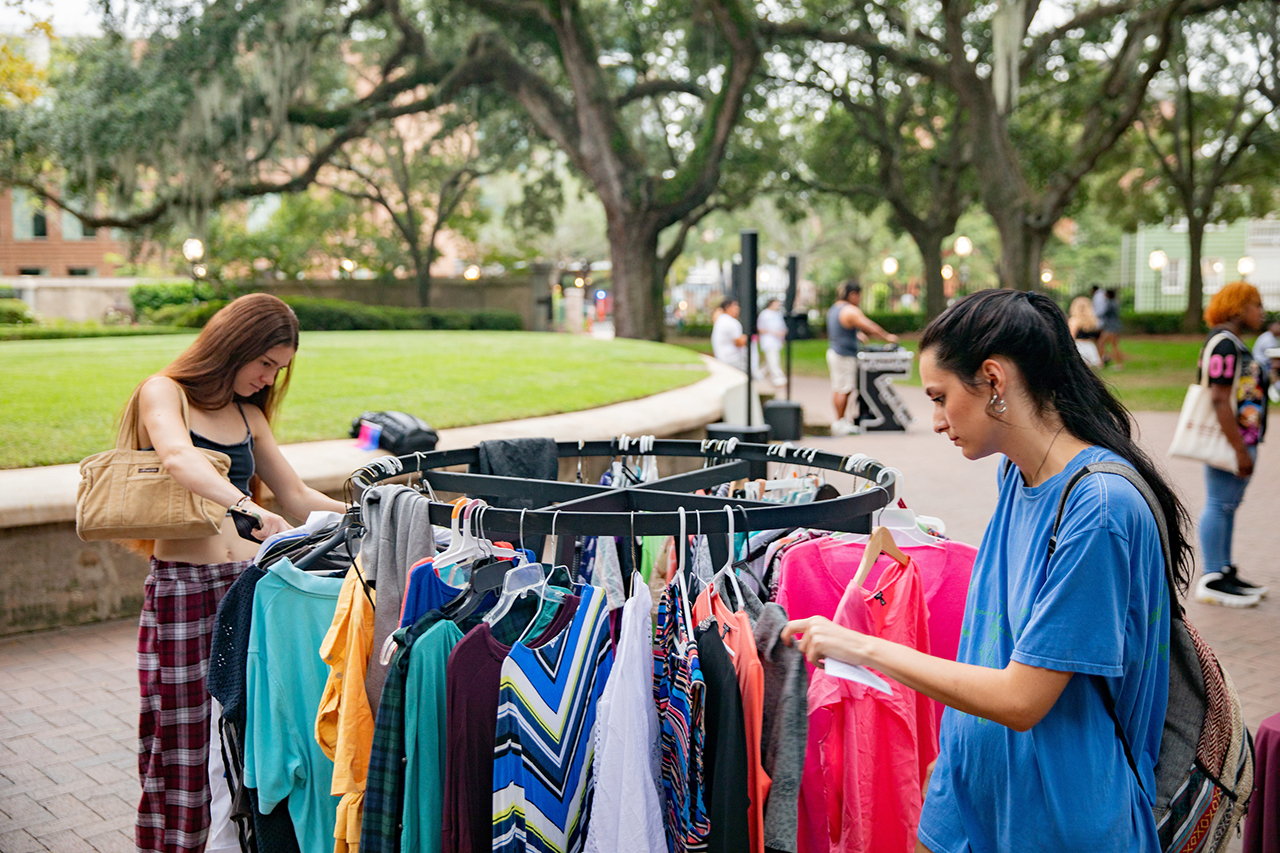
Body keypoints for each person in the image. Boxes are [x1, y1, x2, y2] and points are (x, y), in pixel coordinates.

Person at [784, 289, 1193, 850]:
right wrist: (954, 760)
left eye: (940, 397)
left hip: (1063, 821)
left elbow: (1022, 699)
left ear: (994, 380)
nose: (934, 420)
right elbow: (989, 646)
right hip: (986, 800)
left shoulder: (1099, 508)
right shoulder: (1017, 476)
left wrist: (860, 646)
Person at [131, 293, 346, 853]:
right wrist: (244, 506)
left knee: (248, 732)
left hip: (247, 588)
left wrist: (379, 515)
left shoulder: (249, 415)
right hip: (182, 588)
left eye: (280, 368)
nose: (270, 377)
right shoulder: (165, 393)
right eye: (266, 363)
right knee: (179, 735)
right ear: (237, 346)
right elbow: (178, 457)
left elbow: (295, 495)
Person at [1194, 281, 1269, 607]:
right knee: (1219, 503)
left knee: (1228, 505)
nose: (1262, 313)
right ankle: (1212, 576)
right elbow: (1220, 399)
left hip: (1241, 437)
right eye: (1257, 305)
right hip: (1231, 438)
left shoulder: (1234, 343)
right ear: (1238, 308)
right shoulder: (1224, 344)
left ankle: (1223, 569)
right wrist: (1239, 449)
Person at [827, 280, 898, 435]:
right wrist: (887, 337)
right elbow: (870, 326)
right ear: (853, 294)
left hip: (835, 352)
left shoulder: (835, 308)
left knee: (838, 387)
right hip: (844, 355)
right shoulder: (850, 310)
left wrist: (857, 334)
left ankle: (840, 421)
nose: (859, 299)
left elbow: (843, 328)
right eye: (859, 296)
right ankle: (840, 422)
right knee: (844, 389)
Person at [757, 297, 789, 388]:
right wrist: (773, 333)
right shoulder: (764, 314)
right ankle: (778, 378)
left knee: (769, 361)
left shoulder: (778, 314)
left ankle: (758, 374)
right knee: (773, 360)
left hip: (777, 341)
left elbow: (782, 327)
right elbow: (761, 328)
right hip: (769, 341)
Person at [711, 297, 748, 372]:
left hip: (721, 357)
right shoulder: (731, 322)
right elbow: (739, 342)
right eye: (735, 307)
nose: (738, 309)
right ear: (728, 308)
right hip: (733, 359)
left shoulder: (720, 319)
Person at [1067, 295, 1103, 368]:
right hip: (1090, 346)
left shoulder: (1074, 321)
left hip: (1079, 346)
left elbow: (1071, 337)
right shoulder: (1093, 321)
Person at [1096, 287, 1124, 368]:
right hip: (1115, 326)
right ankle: (1119, 364)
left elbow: (1103, 314)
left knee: (1101, 343)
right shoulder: (1115, 302)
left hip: (1110, 328)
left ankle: (1101, 362)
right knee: (1114, 345)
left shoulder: (1109, 303)